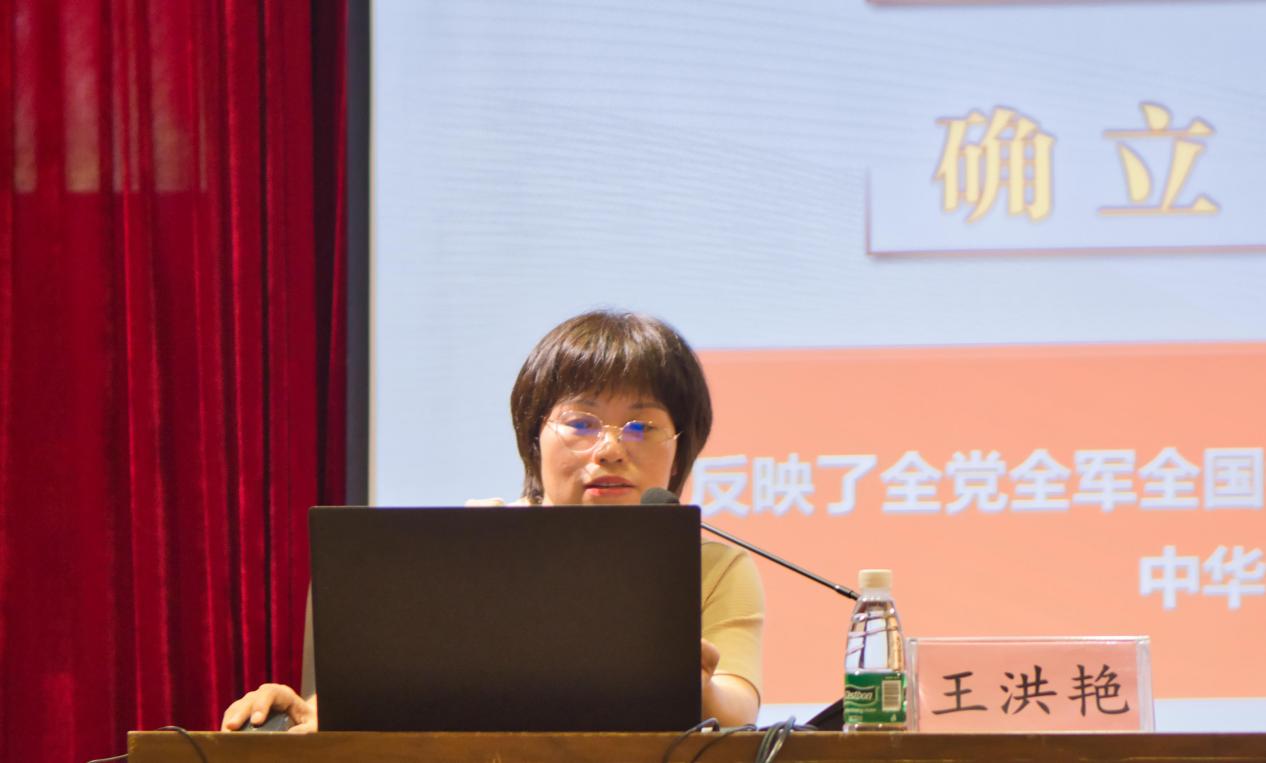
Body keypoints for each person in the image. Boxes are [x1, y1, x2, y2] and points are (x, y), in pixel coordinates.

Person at [220, 309, 765, 731]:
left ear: (681, 449)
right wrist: (301, 710)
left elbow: (739, 709)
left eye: (641, 427)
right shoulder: (472, 542)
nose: (610, 449)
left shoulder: (711, 564)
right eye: (581, 422)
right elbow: (385, 690)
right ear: (534, 436)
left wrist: (697, 686)